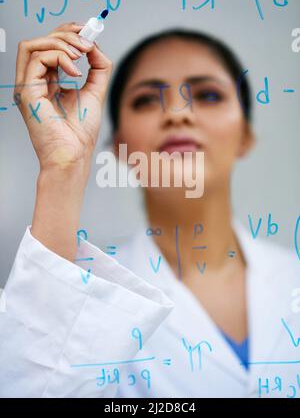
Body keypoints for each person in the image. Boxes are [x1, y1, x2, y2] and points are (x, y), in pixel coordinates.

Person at [0, 23, 298, 398]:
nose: (178, 113)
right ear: (118, 144)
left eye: (207, 95)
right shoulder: (79, 296)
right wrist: (63, 166)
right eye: (146, 99)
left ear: (245, 135)